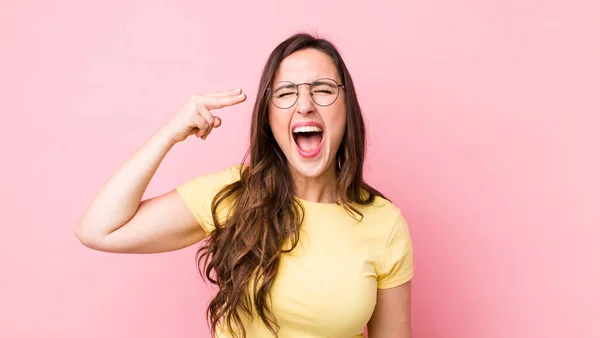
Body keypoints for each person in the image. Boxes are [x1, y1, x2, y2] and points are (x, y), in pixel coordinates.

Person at [75, 33, 414, 338]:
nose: (305, 103)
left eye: (323, 89)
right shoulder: (235, 196)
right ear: (269, 117)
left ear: (347, 108)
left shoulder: (384, 224)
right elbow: (98, 229)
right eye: (285, 93)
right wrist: (169, 134)